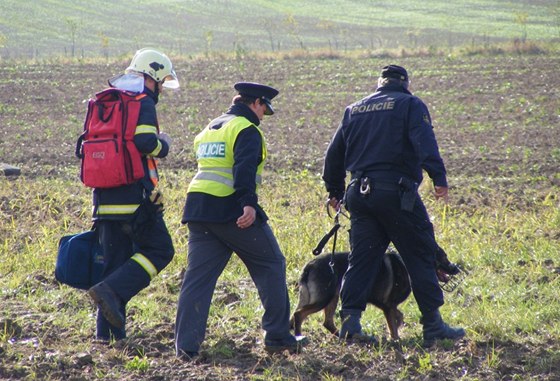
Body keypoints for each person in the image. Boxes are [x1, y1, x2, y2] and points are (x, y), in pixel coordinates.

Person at [322, 64, 465, 347]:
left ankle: (350, 323)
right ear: (406, 84)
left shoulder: (355, 109)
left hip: (359, 195)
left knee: (361, 260)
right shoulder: (410, 104)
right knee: (420, 253)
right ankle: (433, 325)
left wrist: (334, 190)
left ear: (379, 84)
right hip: (396, 194)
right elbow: (424, 141)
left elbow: (333, 154)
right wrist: (438, 176)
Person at [175, 82, 307, 359]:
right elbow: (243, 168)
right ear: (256, 102)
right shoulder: (246, 129)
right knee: (271, 263)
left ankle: (186, 346)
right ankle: (277, 335)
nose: (263, 117)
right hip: (230, 208)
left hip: (199, 209)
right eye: (264, 110)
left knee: (197, 280)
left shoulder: (213, 126)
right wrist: (248, 204)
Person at [86, 48, 179, 342]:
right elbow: (144, 142)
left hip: (103, 200)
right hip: (136, 199)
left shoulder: (108, 101)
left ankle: (108, 339)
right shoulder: (142, 103)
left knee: (115, 268)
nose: (161, 88)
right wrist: (164, 146)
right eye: (161, 81)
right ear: (151, 77)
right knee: (160, 250)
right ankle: (111, 291)